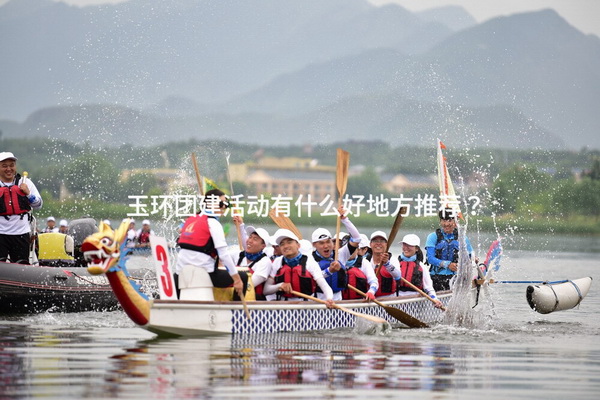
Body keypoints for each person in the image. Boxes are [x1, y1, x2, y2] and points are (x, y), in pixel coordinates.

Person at [174, 188, 246, 300]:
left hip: (180, 274)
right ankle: (236, 314)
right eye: (222, 203)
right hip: (204, 274)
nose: (224, 207)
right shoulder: (214, 224)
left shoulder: (190, 220)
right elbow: (224, 255)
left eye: (226, 205)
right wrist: (237, 279)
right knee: (244, 277)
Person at [263, 229, 334, 307]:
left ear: (298, 245)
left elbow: (325, 286)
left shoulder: (309, 261)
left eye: (289, 242)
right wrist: (280, 286)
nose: (286, 246)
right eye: (282, 244)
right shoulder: (277, 262)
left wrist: (329, 299)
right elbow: (266, 290)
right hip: (284, 307)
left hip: (307, 306)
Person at [311, 205, 363, 301]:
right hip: (317, 303)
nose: (326, 246)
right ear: (314, 245)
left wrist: (344, 219)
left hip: (338, 301)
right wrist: (329, 271)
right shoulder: (310, 259)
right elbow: (314, 279)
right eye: (321, 243)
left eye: (328, 242)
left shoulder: (340, 254)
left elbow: (356, 238)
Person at [0, 152, 43, 264]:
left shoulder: (25, 182)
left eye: (11, 165)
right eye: (4, 166)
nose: (9, 169)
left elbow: (38, 205)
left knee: (21, 264)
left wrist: (28, 194)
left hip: (21, 233)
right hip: (1, 233)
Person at [425, 208, 474, 291]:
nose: (446, 224)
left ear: (455, 222)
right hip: (436, 277)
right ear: (440, 221)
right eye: (443, 220)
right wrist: (448, 264)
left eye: (449, 220)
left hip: (456, 277)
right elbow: (430, 258)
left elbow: (470, 256)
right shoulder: (433, 237)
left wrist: (473, 259)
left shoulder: (462, 238)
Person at [397, 234, 443, 308]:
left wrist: (435, 299)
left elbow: (429, 288)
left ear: (417, 249)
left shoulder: (421, 266)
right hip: (396, 300)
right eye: (404, 244)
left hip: (414, 302)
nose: (406, 248)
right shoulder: (395, 264)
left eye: (410, 245)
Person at [232, 224, 273, 300]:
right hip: (235, 296)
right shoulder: (238, 255)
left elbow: (250, 284)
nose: (250, 241)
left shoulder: (265, 261)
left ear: (263, 246)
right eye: (250, 237)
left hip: (254, 300)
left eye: (255, 239)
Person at [341, 234, 378, 300]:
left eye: (352, 249)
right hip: (340, 302)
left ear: (357, 249)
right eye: (347, 249)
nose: (349, 252)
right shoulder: (336, 262)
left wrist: (371, 292)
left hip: (359, 302)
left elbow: (374, 281)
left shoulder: (364, 263)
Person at [368, 230, 402, 298]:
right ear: (370, 244)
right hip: (369, 298)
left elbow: (398, 277)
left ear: (387, 245)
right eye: (375, 241)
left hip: (389, 299)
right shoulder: (366, 260)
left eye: (382, 241)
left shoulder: (392, 259)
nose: (378, 243)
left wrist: (387, 263)